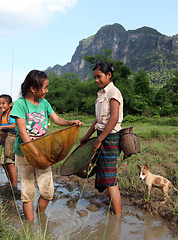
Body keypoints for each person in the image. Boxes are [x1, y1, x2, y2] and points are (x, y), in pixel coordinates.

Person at [10, 70, 83, 221]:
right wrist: (34, 152)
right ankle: (30, 229)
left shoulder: (44, 103)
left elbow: (56, 119)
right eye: (44, 88)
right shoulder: (19, 104)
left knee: (47, 192)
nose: (47, 91)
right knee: (27, 193)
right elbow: (23, 133)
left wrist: (70, 122)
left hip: (42, 152)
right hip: (25, 153)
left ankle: (41, 218)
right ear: (33, 88)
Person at [80, 62, 123, 215]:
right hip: (102, 135)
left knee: (110, 179)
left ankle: (117, 217)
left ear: (109, 75)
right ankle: (115, 213)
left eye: (99, 77)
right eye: (95, 78)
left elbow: (114, 119)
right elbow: (98, 119)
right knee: (107, 175)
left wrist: (99, 139)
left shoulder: (113, 92)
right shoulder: (101, 94)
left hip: (110, 137)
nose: (96, 80)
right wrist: (87, 136)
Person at [0, 94, 18, 190]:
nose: (1, 105)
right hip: (4, 142)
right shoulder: (2, 116)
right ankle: (10, 182)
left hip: (11, 140)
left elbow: (13, 126)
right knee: (3, 164)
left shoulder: (11, 114)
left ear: (10, 104)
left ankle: (15, 185)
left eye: (3, 103)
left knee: (10, 163)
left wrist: (3, 127)